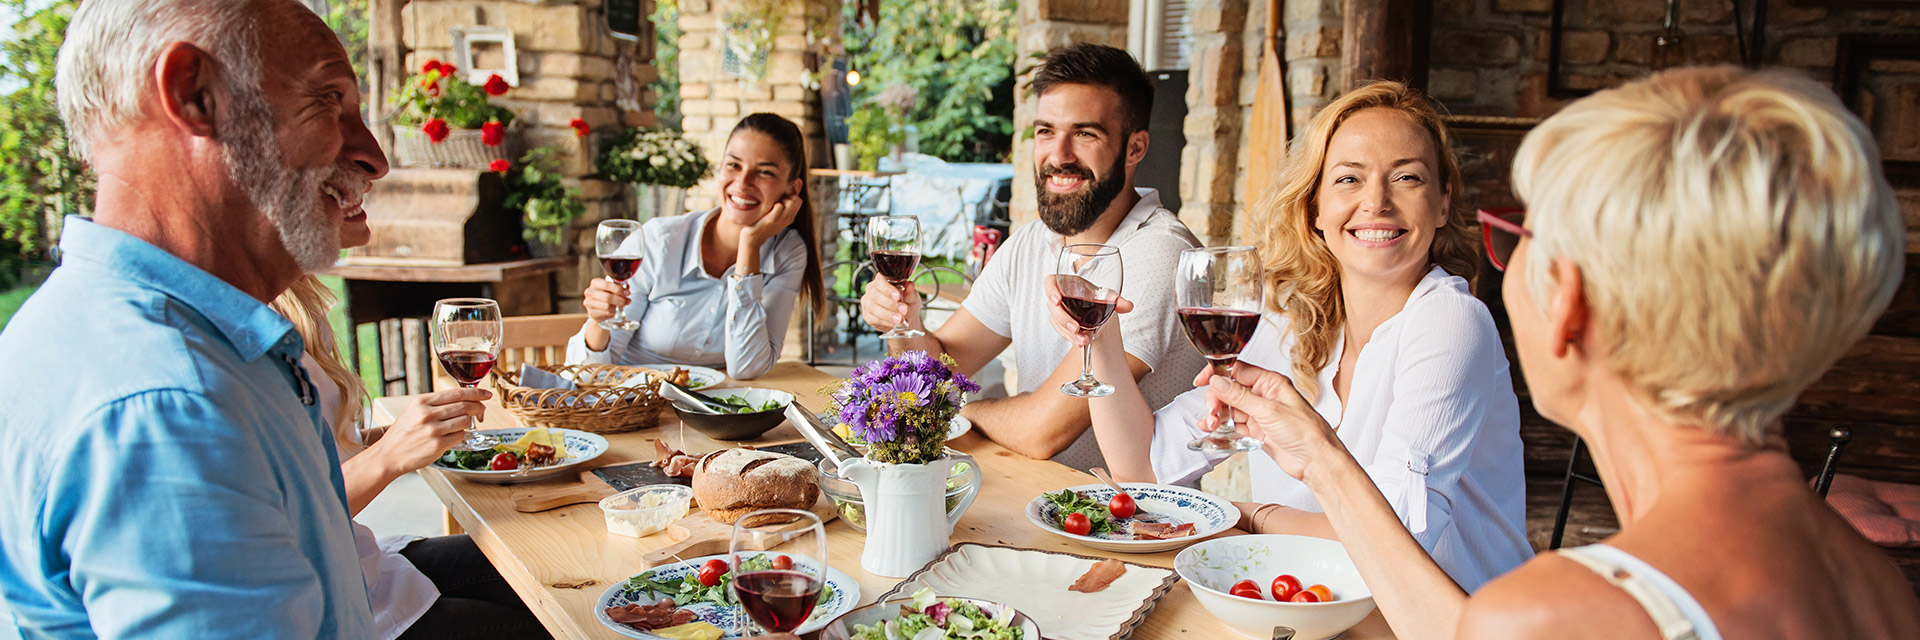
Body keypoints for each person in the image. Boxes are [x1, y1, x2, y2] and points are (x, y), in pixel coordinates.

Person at [1209, 67, 1920, 638]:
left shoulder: (1561, 613)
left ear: (1568, 302)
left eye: (1518, 238)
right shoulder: (1878, 583)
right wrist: (1325, 463)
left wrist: (1309, 476)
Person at [1047, 81, 1531, 592]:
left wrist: (1249, 517)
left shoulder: (1450, 322)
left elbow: (1395, 542)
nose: (1376, 202)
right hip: (1314, 605)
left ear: (1441, 203)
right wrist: (1098, 331)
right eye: (1348, 179)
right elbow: (1144, 465)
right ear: (1316, 208)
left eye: (1407, 177)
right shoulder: (1288, 319)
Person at [0, 0, 388, 636]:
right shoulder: (170, 404)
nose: (373, 155)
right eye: (327, 100)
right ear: (194, 93)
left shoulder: (114, 329)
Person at [860, 43, 1206, 470]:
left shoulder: (1160, 253)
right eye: (1045, 131)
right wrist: (904, 324)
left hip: (1129, 522)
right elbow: (940, 370)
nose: (1058, 155)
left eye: (1084, 134)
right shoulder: (1032, 242)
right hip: (1030, 499)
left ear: (1135, 148)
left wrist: (961, 411)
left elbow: (1042, 432)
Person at [272, 242, 549, 636]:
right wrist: (388, 454)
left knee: (540, 560)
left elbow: (308, 456)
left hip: (361, 563)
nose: (377, 178)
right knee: (547, 625)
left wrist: (393, 435)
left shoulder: (291, 296)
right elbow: (287, 520)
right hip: (331, 605)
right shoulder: (242, 342)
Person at [567, 113, 825, 380]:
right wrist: (600, 320)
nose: (743, 182)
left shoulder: (787, 252)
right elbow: (586, 376)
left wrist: (750, 244)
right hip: (633, 404)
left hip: (709, 412)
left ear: (792, 189)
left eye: (764, 172)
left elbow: (747, 367)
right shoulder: (658, 241)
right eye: (734, 165)